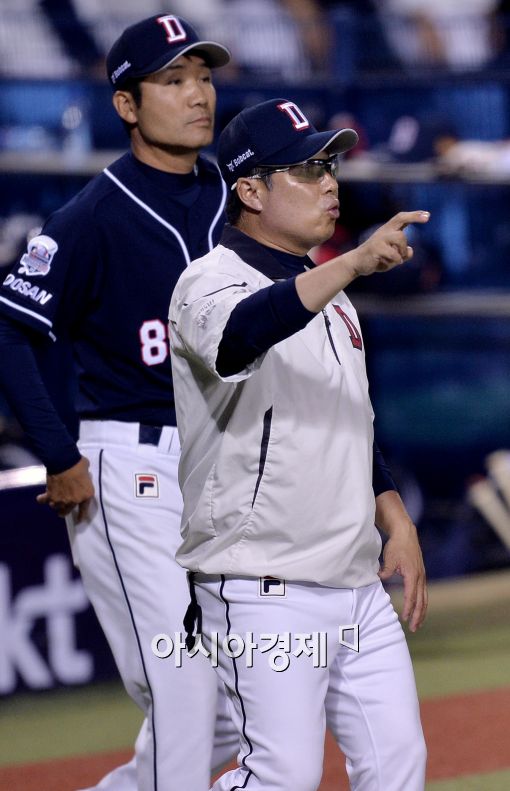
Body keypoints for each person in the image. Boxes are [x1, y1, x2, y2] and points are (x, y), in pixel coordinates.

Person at [0, 14, 238, 791]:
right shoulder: (92, 215)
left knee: (241, 696)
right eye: (173, 81)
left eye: (202, 76)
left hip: (224, 468)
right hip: (132, 468)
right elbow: (12, 332)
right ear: (127, 105)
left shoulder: (238, 197)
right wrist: (58, 452)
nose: (197, 95)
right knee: (185, 683)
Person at [169, 97, 429, 790]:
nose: (329, 182)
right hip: (263, 582)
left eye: (330, 164)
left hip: (355, 582)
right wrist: (346, 267)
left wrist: (394, 515)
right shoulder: (208, 280)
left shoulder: (334, 299)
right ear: (250, 190)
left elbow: (351, 421)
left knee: (398, 765)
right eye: (306, 167)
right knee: (281, 776)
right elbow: (239, 335)